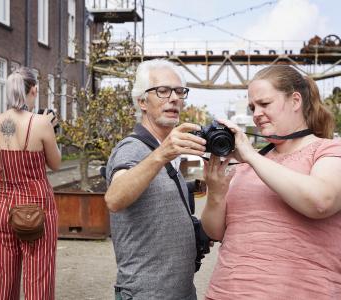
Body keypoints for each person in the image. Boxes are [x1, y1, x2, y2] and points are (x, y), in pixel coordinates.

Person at [201, 65, 341, 299]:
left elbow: (321, 201)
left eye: (264, 104)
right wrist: (215, 193)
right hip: (224, 292)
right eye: (252, 107)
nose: (256, 113)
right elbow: (215, 232)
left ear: (295, 100)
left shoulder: (329, 150)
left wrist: (251, 156)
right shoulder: (249, 163)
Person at [105, 59, 207, 300]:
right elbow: (114, 198)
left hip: (181, 291)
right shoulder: (132, 149)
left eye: (179, 91)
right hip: (146, 293)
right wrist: (162, 154)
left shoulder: (168, 148)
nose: (173, 98)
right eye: (162, 91)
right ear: (142, 101)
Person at [0, 67, 61, 300]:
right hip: (36, 210)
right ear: (34, 90)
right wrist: (50, 126)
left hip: (1, 208)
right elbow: (56, 164)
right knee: (38, 279)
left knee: (1, 278)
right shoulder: (40, 123)